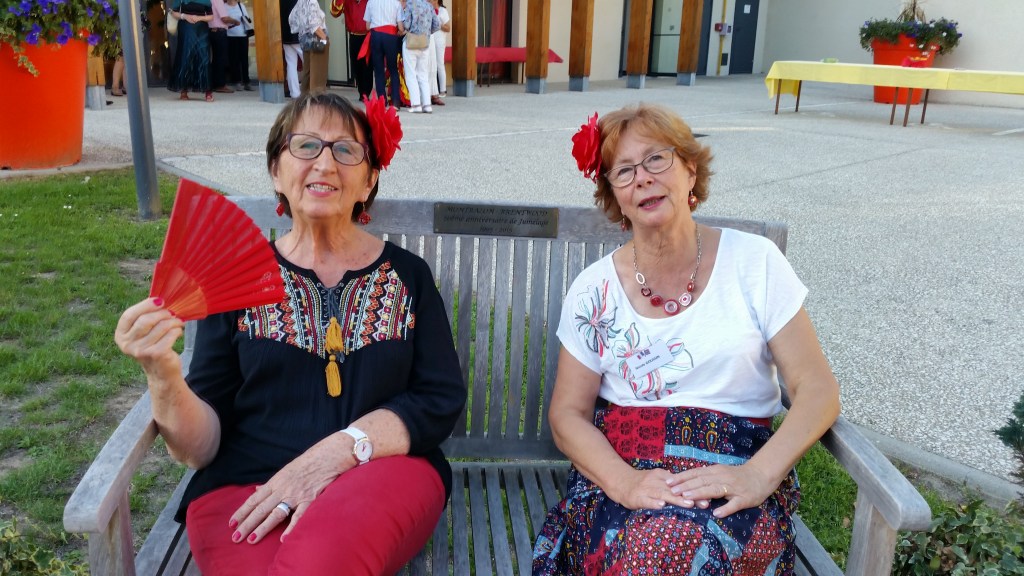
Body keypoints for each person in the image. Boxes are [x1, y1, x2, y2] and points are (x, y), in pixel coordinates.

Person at [114, 92, 467, 575]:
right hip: (248, 489)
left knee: (321, 561)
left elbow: (438, 398)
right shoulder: (234, 281)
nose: (325, 163)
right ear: (276, 172)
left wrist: (339, 451)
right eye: (305, 146)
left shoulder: (408, 277)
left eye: (346, 150)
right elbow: (200, 448)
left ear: (369, 181)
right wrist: (162, 375)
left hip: (380, 472)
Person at [531, 103, 841, 575]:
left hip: (734, 472)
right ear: (615, 196)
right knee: (650, 551)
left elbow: (817, 389)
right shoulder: (593, 291)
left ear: (690, 170)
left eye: (657, 159)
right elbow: (567, 415)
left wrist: (758, 475)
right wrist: (625, 483)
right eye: (624, 171)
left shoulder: (755, 263)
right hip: (627, 470)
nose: (642, 178)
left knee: (689, 549)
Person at [167, 0, 215, 101]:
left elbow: (211, 16)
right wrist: (184, 16)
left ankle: (208, 91)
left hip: (201, 30)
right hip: (185, 28)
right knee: (185, 57)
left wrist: (199, 18)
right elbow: (173, 12)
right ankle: (183, 90)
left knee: (204, 57)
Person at [400, 0, 438, 113]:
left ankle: (416, 105)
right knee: (423, 75)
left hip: (411, 42)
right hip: (424, 43)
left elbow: (406, 25)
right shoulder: (429, 6)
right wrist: (426, 33)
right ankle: (427, 105)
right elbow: (437, 25)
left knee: (411, 74)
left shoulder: (410, 4)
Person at [364, 0, 403, 108]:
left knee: (378, 70)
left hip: (376, 36)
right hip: (391, 36)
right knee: (393, 69)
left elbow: (367, 26)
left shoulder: (371, 2)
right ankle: (395, 102)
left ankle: (382, 101)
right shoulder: (396, 3)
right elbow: (400, 27)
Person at [331, 0, 373, 99]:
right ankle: (361, 90)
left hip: (367, 36)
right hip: (354, 36)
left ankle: (366, 92)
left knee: (367, 65)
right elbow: (334, 12)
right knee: (356, 65)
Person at [289, 0, 329, 95]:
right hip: (317, 39)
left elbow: (292, 19)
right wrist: (324, 38)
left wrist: (302, 30)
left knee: (307, 73)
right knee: (318, 74)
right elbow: (313, 25)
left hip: (305, 39)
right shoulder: (312, 1)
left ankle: (305, 98)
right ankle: (317, 99)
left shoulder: (300, 1)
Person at [208, 0, 237, 94]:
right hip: (219, 32)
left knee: (215, 59)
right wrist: (236, 21)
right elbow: (224, 18)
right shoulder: (218, 0)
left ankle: (213, 83)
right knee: (221, 59)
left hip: (211, 31)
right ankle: (220, 85)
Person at [224, 0, 253, 91]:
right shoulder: (224, 6)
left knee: (244, 59)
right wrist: (232, 20)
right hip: (230, 35)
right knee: (234, 59)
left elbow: (247, 18)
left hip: (243, 35)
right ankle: (237, 81)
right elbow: (223, 19)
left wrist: (244, 19)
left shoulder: (241, 5)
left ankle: (246, 81)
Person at [426, 0, 449, 107]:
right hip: (430, 40)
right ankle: (432, 90)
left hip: (439, 40)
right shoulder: (428, 8)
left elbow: (448, 28)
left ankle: (442, 90)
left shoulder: (443, 11)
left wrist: (438, 24)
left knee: (439, 64)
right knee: (431, 65)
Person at [280, 0, 303, 98]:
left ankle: (294, 93)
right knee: (310, 63)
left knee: (291, 65)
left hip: (285, 35)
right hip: (299, 35)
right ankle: (311, 91)